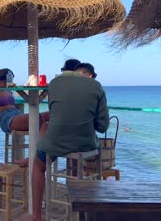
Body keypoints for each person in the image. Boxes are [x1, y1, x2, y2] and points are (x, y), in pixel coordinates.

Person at [26, 69, 110, 221]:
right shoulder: (97, 86)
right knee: (76, 155)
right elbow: (103, 127)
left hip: (56, 142)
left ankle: (36, 216)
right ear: (88, 74)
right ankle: (84, 208)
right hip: (84, 144)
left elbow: (54, 114)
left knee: (38, 165)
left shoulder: (54, 84)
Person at [0, 68, 50, 134]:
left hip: (17, 114)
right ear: (0, 79)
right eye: (6, 81)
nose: (7, 83)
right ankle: (41, 150)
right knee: (38, 118)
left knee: (50, 114)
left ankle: (50, 146)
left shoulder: (9, 90)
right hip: (7, 119)